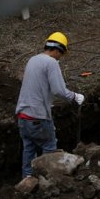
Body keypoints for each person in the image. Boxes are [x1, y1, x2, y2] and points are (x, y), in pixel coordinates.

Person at [15, 32, 84, 179]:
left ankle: (27, 180)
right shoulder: (51, 63)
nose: (60, 57)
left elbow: (36, 85)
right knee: (49, 149)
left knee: (29, 149)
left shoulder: (33, 59)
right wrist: (74, 97)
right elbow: (59, 90)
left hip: (22, 117)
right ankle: (48, 183)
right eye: (62, 54)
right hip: (38, 117)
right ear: (58, 50)